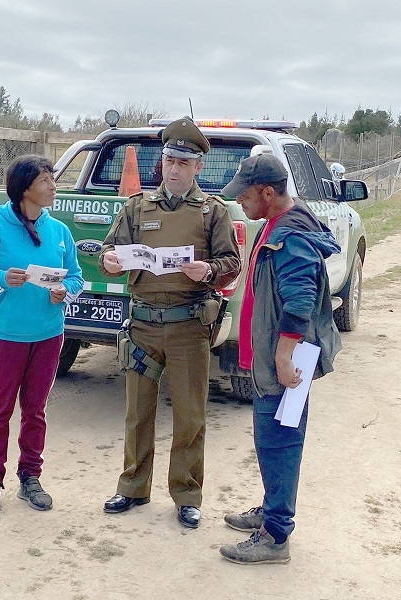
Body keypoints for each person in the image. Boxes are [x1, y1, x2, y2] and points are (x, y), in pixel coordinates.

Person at [99, 117, 242, 528]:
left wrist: (209, 272)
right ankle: (132, 487)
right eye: (168, 160)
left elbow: (232, 263)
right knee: (137, 412)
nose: (174, 169)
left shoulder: (212, 211)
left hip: (188, 326)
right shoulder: (137, 207)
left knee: (190, 414)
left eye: (183, 162)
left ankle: (186, 493)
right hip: (142, 325)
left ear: (198, 167)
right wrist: (109, 260)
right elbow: (111, 251)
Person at [217, 153, 342, 563]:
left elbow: (300, 299)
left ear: (268, 192)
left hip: (284, 363)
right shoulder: (278, 223)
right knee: (272, 440)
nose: (242, 203)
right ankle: (273, 512)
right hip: (273, 358)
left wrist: (285, 356)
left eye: (246, 196)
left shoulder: (289, 236)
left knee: (279, 442)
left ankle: (276, 536)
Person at [0, 154, 84, 516]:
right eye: (46, 179)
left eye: (52, 178)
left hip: (48, 336)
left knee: (36, 410)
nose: (53, 185)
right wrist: (0, 279)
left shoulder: (59, 231)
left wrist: (66, 292)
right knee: (0, 409)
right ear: (24, 188)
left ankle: (30, 477)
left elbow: (75, 277)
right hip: (4, 336)